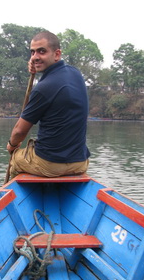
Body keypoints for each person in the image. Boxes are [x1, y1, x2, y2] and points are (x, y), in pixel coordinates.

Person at [6, 31, 90, 178]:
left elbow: (19, 131)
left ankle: (13, 199)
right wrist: (36, 69)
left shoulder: (43, 88)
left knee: (16, 158)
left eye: (41, 51)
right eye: (32, 52)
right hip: (80, 162)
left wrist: (12, 145)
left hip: (50, 164)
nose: (35, 57)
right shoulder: (75, 73)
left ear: (57, 54)